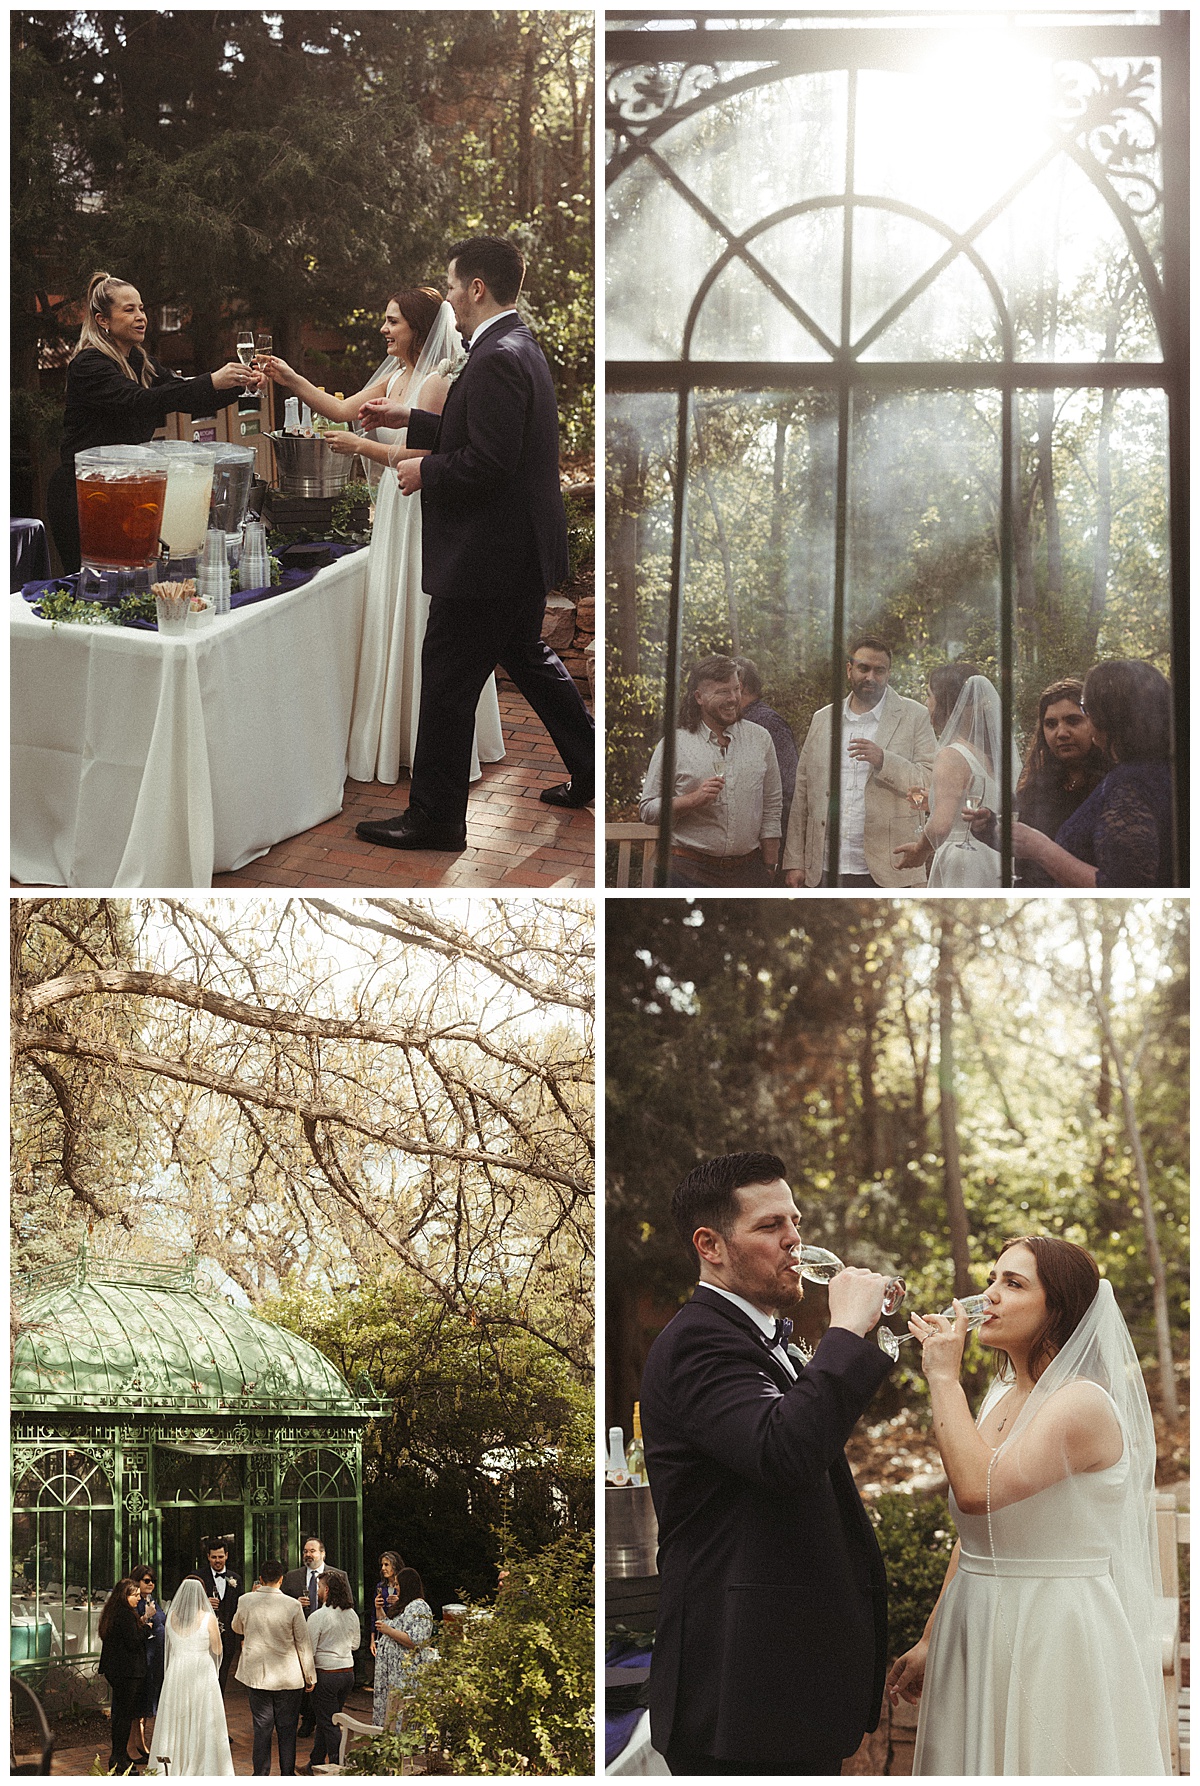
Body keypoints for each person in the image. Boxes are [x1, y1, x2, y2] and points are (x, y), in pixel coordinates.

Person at [641, 1152, 893, 1774]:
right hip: (739, 1696)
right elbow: (782, 1451)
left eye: (796, 1222)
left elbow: (805, 1451)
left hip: (782, 1690)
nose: (794, 1242)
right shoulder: (698, 1342)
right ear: (711, 1244)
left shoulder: (757, 1336)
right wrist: (846, 1333)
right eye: (770, 1227)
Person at [887, 1237, 1171, 1775]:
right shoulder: (999, 1393)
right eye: (992, 1279)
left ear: (1058, 1309)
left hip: (1051, 1626)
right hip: (973, 1619)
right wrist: (931, 1635)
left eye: (1012, 1284)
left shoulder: (1080, 1403)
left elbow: (978, 1493)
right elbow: (976, 1535)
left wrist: (943, 1377)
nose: (988, 1296)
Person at [353, 235, 595, 851]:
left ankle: (434, 821)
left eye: (455, 285)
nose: (451, 297)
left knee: (447, 678)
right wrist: (409, 420)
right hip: (516, 552)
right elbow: (488, 430)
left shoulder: (496, 356)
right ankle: (593, 767)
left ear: (478, 287)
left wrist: (422, 470)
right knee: (529, 659)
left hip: (489, 557)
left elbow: (488, 461)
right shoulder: (516, 346)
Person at [260, 291, 504, 789]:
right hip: (394, 508)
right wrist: (290, 378)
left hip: (420, 507)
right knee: (392, 606)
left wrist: (360, 446)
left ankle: (421, 737)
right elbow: (340, 407)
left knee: (416, 612)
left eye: (392, 322)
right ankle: (395, 730)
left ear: (417, 327)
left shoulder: (436, 383)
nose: (384, 330)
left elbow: (416, 456)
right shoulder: (396, 377)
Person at [46, 270, 259, 571]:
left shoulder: (141, 362)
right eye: (129, 309)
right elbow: (139, 402)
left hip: (128, 490)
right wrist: (211, 379)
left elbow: (186, 398)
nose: (141, 316)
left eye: (142, 308)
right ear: (102, 320)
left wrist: (240, 384)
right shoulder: (89, 365)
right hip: (85, 495)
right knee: (93, 585)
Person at [783, 635, 936, 888]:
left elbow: (931, 781)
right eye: (864, 668)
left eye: (879, 670)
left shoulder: (914, 715)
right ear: (849, 669)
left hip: (892, 867)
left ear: (889, 674)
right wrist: (795, 861)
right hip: (823, 867)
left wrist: (884, 760)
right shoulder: (823, 718)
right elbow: (802, 794)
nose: (871, 677)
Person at [1012, 660, 1174, 887]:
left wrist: (1041, 849)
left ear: (1110, 717)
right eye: (1050, 724)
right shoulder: (1162, 771)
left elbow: (1121, 887)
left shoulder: (1129, 785)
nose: (1061, 733)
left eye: (1084, 713)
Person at [638, 655, 782, 887]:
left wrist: (769, 865)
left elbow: (772, 805)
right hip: (686, 871)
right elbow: (647, 810)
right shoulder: (675, 744)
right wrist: (693, 799)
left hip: (748, 871)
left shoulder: (761, 739)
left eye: (737, 689)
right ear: (699, 697)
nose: (733, 698)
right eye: (723, 692)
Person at [893, 668, 1020, 888]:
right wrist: (933, 801)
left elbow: (941, 826)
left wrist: (919, 851)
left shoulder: (951, 754)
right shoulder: (989, 756)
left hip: (963, 862)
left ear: (945, 702)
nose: (926, 703)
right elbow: (978, 804)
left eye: (929, 695)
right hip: (992, 858)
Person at [1013, 678, 1110, 887]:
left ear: (1094, 722)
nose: (1062, 733)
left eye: (1073, 721)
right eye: (1051, 724)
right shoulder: (1035, 788)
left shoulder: (1113, 787)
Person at [232, 1558, 317, 1776]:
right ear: (281, 1579)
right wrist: (309, 1675)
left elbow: (237, 1627)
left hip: (257, 1674)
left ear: (260, 1579)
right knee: (287, 1729)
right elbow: (303, 1642)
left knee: (262, 1727)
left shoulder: (245, 1600)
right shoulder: (293, 1604)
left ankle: (260, 1774)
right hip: (288, 1676)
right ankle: (287, 1774)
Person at [147, 1576, 234, 1778]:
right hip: (201, 1672)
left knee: (177, 1717)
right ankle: (201, 1764)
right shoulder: (208, 1618)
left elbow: (169, 1644)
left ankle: (173, 1763)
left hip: (177, 1671)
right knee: (202, 1717)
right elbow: (218, 1648)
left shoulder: (172, 1617)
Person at [282, 1538, 351, 1738]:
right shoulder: (292, 1577)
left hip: (329, 1639)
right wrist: (295, 1602)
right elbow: (282, 1604)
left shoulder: (338, 1575)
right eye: (305, 1551)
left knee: (322, 1683)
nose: (308, 1554)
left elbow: (348, 1604)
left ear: (323, 1553)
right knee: (305, 1680)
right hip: (301, 1636)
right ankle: (307, 1717)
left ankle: (314, 1719)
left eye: (312, 1551)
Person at [731, 656, 799, 844]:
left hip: (767, 842)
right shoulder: (734, 722)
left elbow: (788, 787)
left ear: (740, 686)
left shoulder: (769, 723)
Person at [305, 1571, 362, 1771]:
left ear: (326, 1590)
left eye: (319, 1587)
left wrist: (308, 1678)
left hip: (327, 1674)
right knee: (328, 1718)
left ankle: (340, 1766)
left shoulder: (318, 1616)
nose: (317, 1591)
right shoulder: (352, 1614)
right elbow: (355, 1645)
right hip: (347, 1673)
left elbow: (308, 1650)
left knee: (329, 1723)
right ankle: (316, 1762)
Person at [98, 1577, 152, 1775]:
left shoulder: (114, 1613)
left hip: (118, 1671)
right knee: (123, 1717)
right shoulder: (125, 1615)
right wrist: (147, 1626)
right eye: (135, 1595)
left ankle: (120, 1757)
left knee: (122, 1716)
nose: (138, 1598)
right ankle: (118, 1761)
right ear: (125, 1595)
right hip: (127, 1673)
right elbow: (133, 1642)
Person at [372, 1566, 437, 1727]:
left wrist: (388, 1630)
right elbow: (388, 1625)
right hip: (391, 1675)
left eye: (398, 1585)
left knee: (400, 1715)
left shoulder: (420, 1607)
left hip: (404, 1675)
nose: (396, 1589)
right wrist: (379, 1609)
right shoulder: (405, 1607)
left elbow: (415, 1641)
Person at [197, 1539, 243, 1695]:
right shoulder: (198, 1577)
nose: (217, 1560)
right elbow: (188, 1603)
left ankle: (218, 1708)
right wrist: (204, 1602)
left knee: (222, 1675)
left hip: (228, 1637)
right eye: (214, 1557)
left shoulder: (235, 1578)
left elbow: (239, 1607)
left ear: (227, 1556)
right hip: (204, 1636)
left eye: (221, 1557)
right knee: (204, 1676)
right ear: (208, 1557)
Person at [130, 1565, 167, 1755]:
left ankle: (140, 1741)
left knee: (148, 1700)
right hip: (143, 1656)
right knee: (139, 1700)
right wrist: (147, 1618)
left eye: (153, 1580)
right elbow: (134, 1629)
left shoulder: (151, 1599)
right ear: (137, 1582)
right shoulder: (134, 1603)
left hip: (155, 1657)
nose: (151, 1583)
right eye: (146, 1580)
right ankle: (137, 1744)